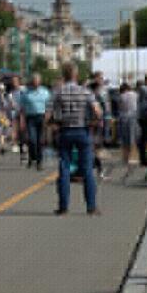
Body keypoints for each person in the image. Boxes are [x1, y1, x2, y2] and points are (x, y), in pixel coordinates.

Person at [51, 62, 102, 215]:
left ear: (63, 75)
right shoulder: (85, 91)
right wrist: (93, 123)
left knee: (64, 168)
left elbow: (49, 114)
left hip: (65, 131)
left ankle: (63, 206)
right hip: (82, 131)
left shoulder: (58, 92)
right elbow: (97, 111)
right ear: (76, 75)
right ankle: (91, 206)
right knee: (87, 169)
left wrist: (52, 126)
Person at [18, 73, 51, 170]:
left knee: (40, 141)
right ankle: (32, 157)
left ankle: (39, 162)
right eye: (34, 80)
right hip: (30, 118)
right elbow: (22, 108)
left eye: (37, 80)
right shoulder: (26, 93)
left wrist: (48, 118)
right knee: (32, 140)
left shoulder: (45, 92)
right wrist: (21, 120)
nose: (35, 82)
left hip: (42, 117)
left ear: (40, 81)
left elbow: (49, 106)